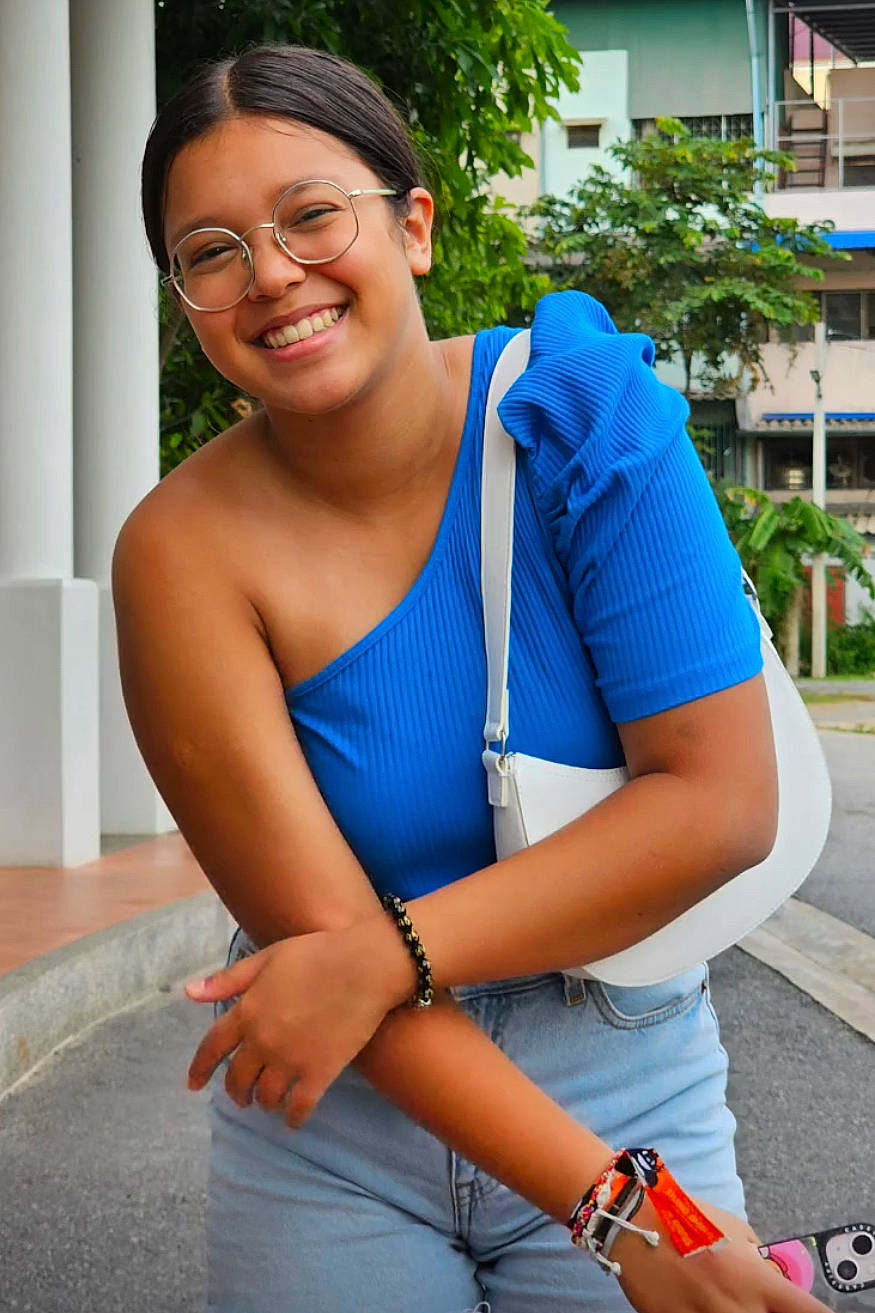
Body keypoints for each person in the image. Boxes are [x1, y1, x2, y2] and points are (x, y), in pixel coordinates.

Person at [116, 44, 828, 1313]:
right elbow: (310, 947)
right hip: (334, 1115)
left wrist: (389, 953)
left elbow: (718, 803)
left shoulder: (580, 405)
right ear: (188, 303)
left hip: (616, 1068)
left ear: (415, 227)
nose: (272, 274)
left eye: (311, 216)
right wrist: (632, 1217)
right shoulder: (179, 554)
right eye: (211, 252)